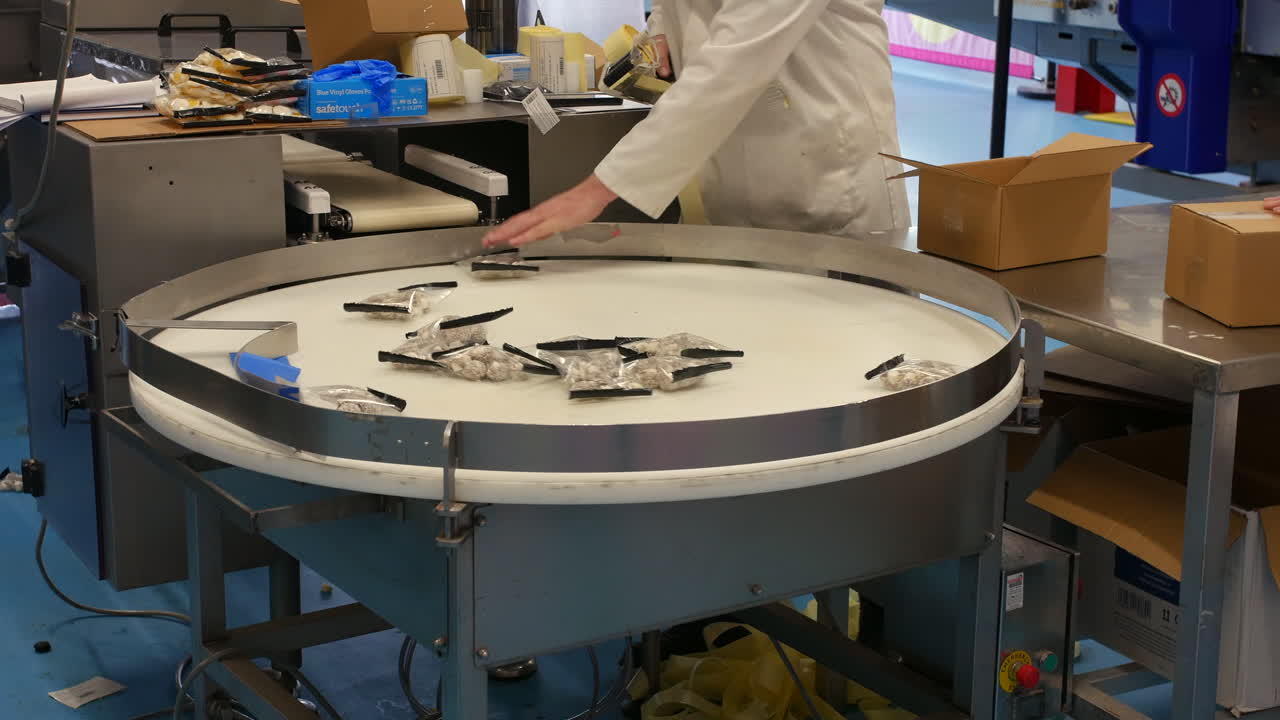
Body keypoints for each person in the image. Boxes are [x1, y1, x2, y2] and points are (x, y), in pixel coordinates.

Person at [483, 0, 910, 248]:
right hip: (741, 169)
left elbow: (732, 67)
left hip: (830, 178)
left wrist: (595, 191)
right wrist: (662, 29)